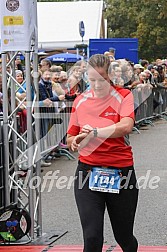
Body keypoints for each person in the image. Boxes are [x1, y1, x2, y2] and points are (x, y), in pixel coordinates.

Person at [67, 54, 138, 252]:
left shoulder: (123, 95)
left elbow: (126, 126)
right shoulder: (80, 101)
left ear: (111, 77)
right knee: (92, 237)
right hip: (87, 173)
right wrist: (75, 142)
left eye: (102, 80)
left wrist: (97, 132)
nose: (97, 85)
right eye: (92, 80)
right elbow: (70, 138)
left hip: (121, 172)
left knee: (124, 236)